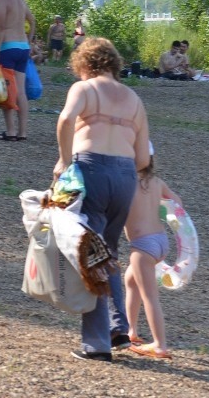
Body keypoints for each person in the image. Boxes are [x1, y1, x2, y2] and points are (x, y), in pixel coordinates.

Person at [52, 37, 152, 362]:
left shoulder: (84, 89)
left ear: (84, 63)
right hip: (124, 175)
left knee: (90, 254)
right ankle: (117, 326)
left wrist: (65, 160)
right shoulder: (134, 99)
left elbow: (66, 120)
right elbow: (143, 158)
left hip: (91, 169)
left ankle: (96, 344)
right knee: (108, 251)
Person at [123, 155, 179, 360]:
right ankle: (131, 331)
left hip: (142, 247)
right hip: (161, 241)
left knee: (150, 296)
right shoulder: (157, 182)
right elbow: (177, 203)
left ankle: (159, 344)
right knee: (130, 281)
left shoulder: (127, 184)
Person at [0, 0, 36, 141]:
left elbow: (0, 26)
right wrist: (29, 41)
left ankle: (11, 131)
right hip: (22, 47)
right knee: (20, 91)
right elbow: (32, 20)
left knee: (6, 90)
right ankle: (23, 132)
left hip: (7, 48)